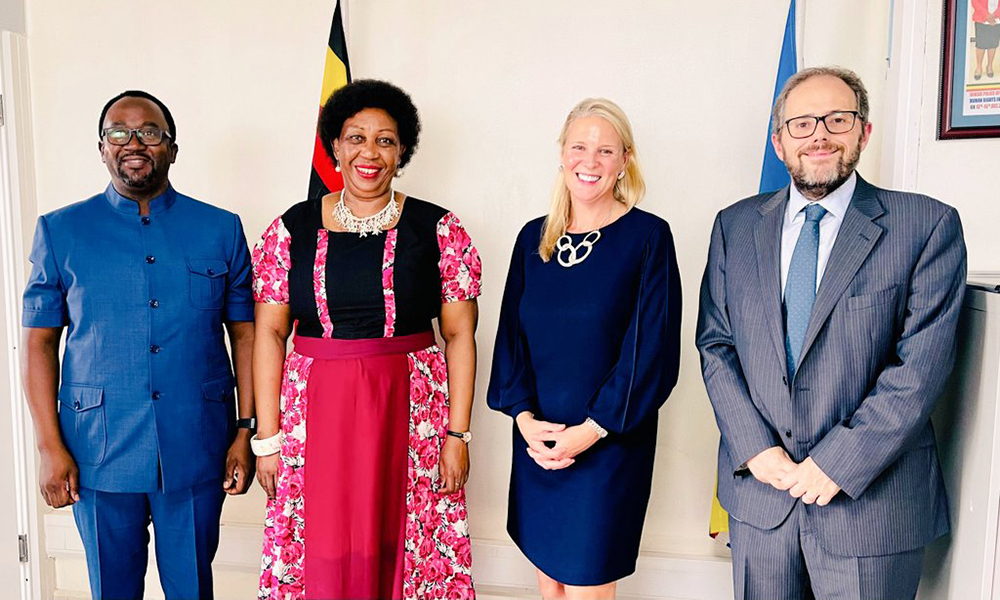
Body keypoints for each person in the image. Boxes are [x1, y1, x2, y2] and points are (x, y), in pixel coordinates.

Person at [696, 66, 966, 600]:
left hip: (870, 508)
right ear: (779, 142)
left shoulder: (926, 225)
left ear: (864, 131)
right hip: (762, 500)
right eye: (801, 123)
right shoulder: (734, 226)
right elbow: (716, 346)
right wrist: (755, 449)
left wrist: (837, 463)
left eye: (837, 119)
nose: (818, 134)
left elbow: (921, 368)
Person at [21, 90, 257, 599]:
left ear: (172, 148)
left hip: (197, 444)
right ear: (101, 148)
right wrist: (49, 447)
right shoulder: (60, 231)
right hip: (96, 449)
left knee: (192, 588)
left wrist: (246, 430)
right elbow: (38, 343)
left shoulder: (220, 229)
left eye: (149, 132)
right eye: (118, 132)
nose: (133, 143)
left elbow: (245, 334)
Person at [252, 79, 480, 599]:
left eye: (385, 140)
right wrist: (268, 440)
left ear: (402, 152)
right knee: (325, 542)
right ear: (335, 146)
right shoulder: (291, 229)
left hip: (412, 413)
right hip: (314, 414)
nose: (369, 153)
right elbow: (269, 332)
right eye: (356, 138)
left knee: (401, 539)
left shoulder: (439, 229)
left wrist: (457, 435)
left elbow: (460, 335)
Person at [488, 98, 681, 600]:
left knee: (584, 584)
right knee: (549, 585)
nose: (589, 161)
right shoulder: (532, 239)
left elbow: (651, 351)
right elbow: (511, 339)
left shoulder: (648, 237)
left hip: (607, 444)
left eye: (605, 150)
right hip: (538, 441)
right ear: (562, 153)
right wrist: (524, 420)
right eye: (579, 147)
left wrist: (589, 432)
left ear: (624, 160)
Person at [972, 0, 1000, 80]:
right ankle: (979, 67)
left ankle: (989, 65)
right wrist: (986, 15)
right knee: (981, 45)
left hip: (997, 20)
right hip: (981, 18)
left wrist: (995, 15)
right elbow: (975, 2)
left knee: (993, 44)